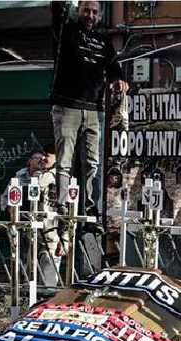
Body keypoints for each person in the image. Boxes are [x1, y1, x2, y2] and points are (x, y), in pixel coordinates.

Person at [51, 0, 128, 228]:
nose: (90, 15)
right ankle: (63, 205)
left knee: (93, 163)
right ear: (78, 10)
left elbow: (115, 69)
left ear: (100, 15)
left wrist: (119, 81)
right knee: (64, 160)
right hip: (67, 106)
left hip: (95, 110)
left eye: (94, 12)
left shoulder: (104, 41)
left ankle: (92, 210)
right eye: (86, 10)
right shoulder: (66, 31)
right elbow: (58, 8)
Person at [16, 146, 69, 269]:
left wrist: (64, 239)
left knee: (48, 280)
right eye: (43, 155)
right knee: (29, 280)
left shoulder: (59, 178)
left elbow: (66, 211)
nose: (43, 158)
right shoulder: (39, 174)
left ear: (57, 158)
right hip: (33, 235)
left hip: (52, 237)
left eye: (47, 156)